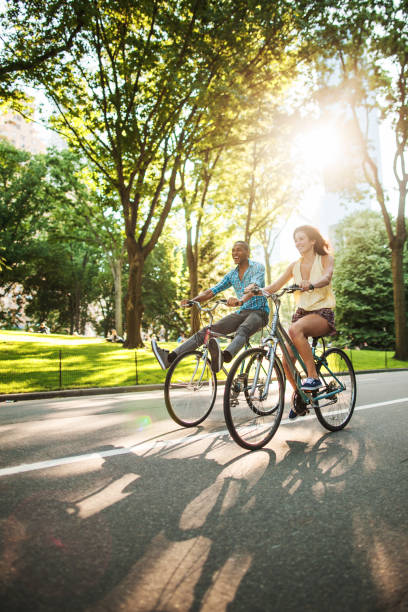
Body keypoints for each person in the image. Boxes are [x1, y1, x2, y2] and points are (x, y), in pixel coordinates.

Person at [245, 225, 336, 419]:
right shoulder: (294, 265)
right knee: (285, 361)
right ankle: (301, 397)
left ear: (312, 241)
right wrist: (252, 292)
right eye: (295, 240)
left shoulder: (326, 259)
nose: (298, 243)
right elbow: (275, 285)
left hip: (322, 313)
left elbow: (327, 277)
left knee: (295, 329)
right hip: (302, 314)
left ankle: (313, 377)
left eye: (301, 238)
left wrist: (311, 284)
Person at [151, 241, 269, 372]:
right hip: (242, 312)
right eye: (233, 250)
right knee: (208, 331)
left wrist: (240, 300)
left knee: (243, 329)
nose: (235, 253)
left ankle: (224, 357)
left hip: (260, 312)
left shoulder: (257, 267)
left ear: (247, 252)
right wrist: (192, 301)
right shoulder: (232, 275)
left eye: (239, 250)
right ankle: (169, 358)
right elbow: (211, 291)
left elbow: (253, 287)